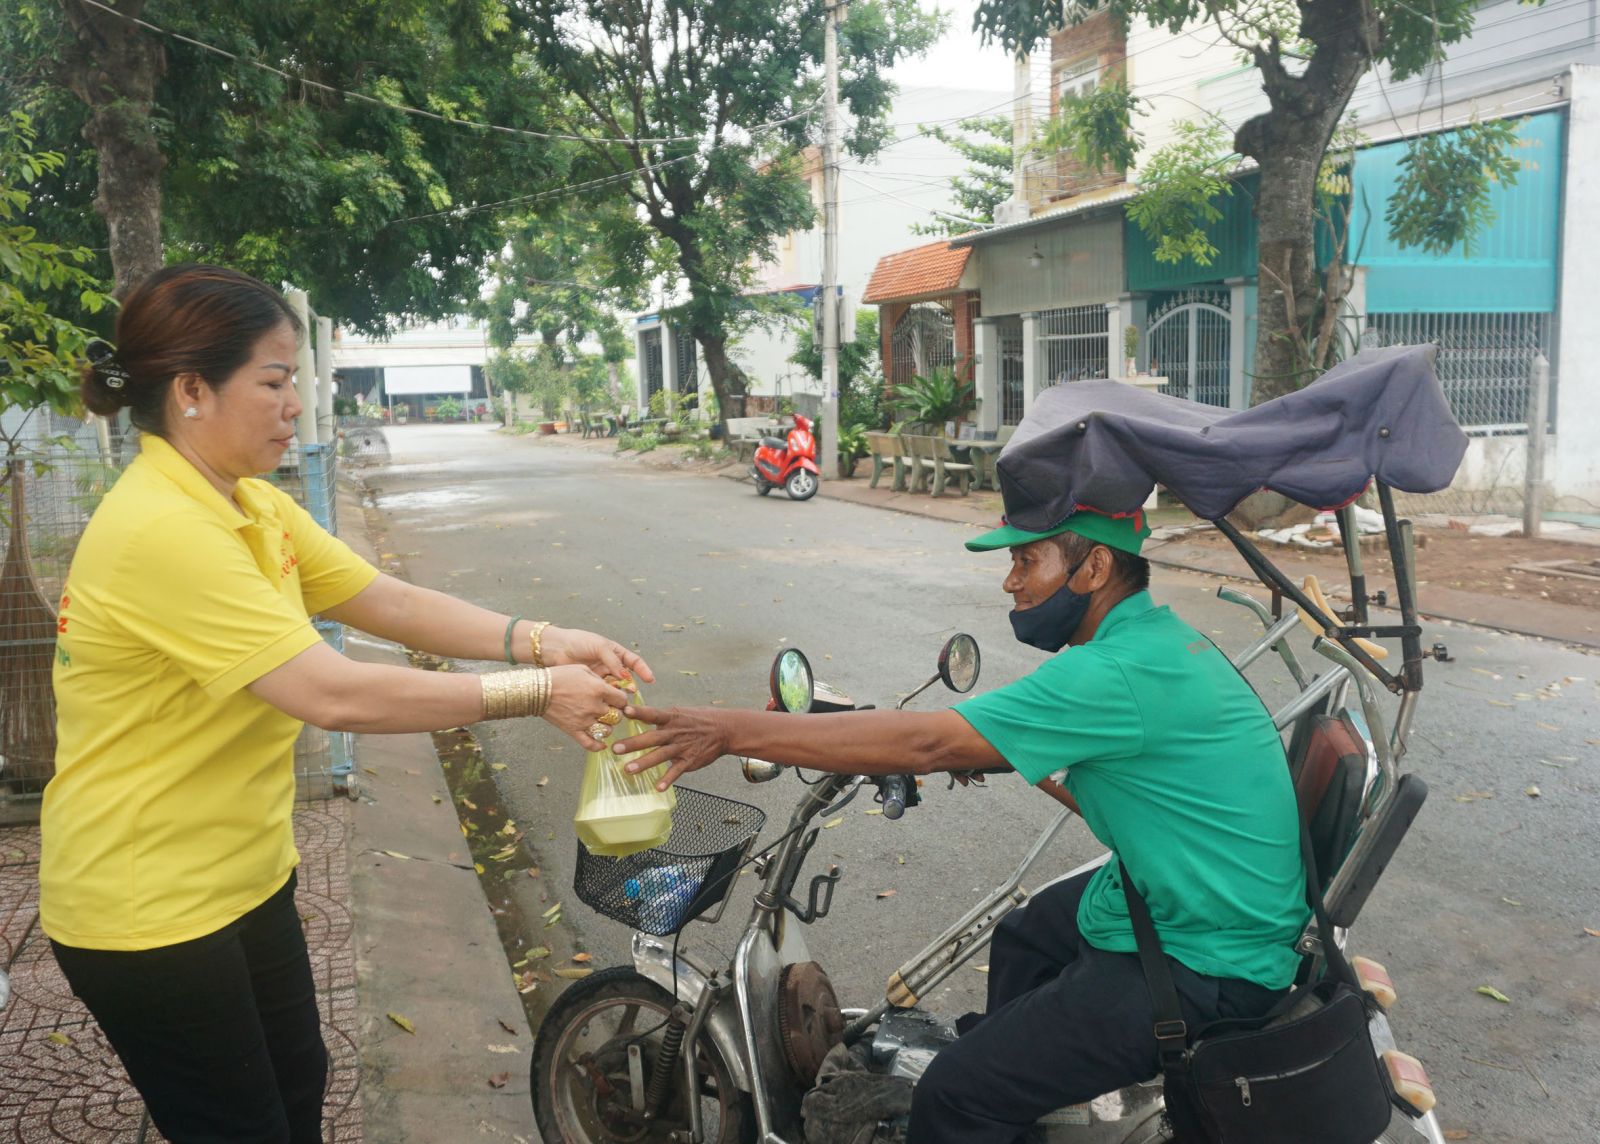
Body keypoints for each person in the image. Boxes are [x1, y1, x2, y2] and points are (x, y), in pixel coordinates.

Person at [44, 263, 650, 1144]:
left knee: (298, 1087)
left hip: (243, 872)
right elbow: (328, 690)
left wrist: (542, 636)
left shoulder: (246, 503)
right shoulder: (161, 528)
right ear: (190, 392)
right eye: (275, 381)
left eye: (298, 381)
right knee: (238, 1126)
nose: (296, 404)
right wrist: (534, 692)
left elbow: (385, 601)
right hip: (144, 899)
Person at [611, 508, 1310, 1144]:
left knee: (954, 1097)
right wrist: (1002, 754)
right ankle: (1019, 1094)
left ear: (1093, 568)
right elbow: (1137, 781)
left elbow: (926, 742)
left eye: (1026, 561)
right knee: (1025, 936)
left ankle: (980, 1105)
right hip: (1205, 905)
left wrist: (728, 730)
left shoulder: (1113, 672)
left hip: (1203, 961)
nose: (1011, 582)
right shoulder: (1160, 641)